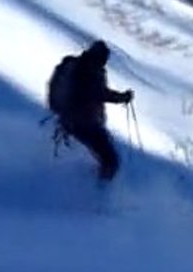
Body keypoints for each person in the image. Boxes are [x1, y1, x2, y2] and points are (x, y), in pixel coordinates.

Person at [48, 39, 134, 181]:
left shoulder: (76, 66)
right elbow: (99, 93)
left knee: (103, 157)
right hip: (84, 123)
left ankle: (87, 185)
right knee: (110, 160)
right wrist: (122, 97)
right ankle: (98, 192)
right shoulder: (88, 70)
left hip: (69, 121)